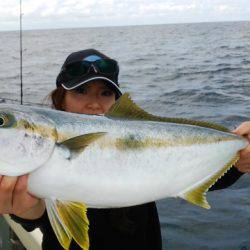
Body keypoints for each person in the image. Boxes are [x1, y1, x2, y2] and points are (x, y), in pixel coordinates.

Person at [0, 49, 249, 250]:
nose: (94, 103)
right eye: (81, 91)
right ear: (60, 100)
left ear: (117, 101)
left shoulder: (130, 135)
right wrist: (28, 212)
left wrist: (238, 162)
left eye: (106, 93)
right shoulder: (19, 162)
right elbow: (36, 213)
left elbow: (184, 172)